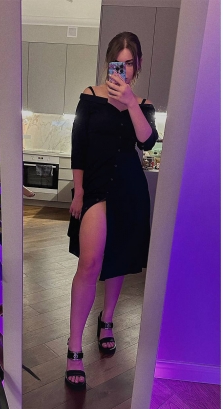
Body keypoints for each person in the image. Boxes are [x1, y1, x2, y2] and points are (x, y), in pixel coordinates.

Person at [65, 32, 159, 389]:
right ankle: (74, 347)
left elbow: (147, 142)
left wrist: (131, 102)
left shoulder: (143, 104)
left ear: (138, 65)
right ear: (109, 63)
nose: (124, 69)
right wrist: (78, 191)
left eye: (130, 63)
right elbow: (78, 145)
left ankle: (107, 320)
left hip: (129, 190)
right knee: (89, 263)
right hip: (94, 189)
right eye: (118, 62)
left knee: (117, 260)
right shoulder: (89, 96)